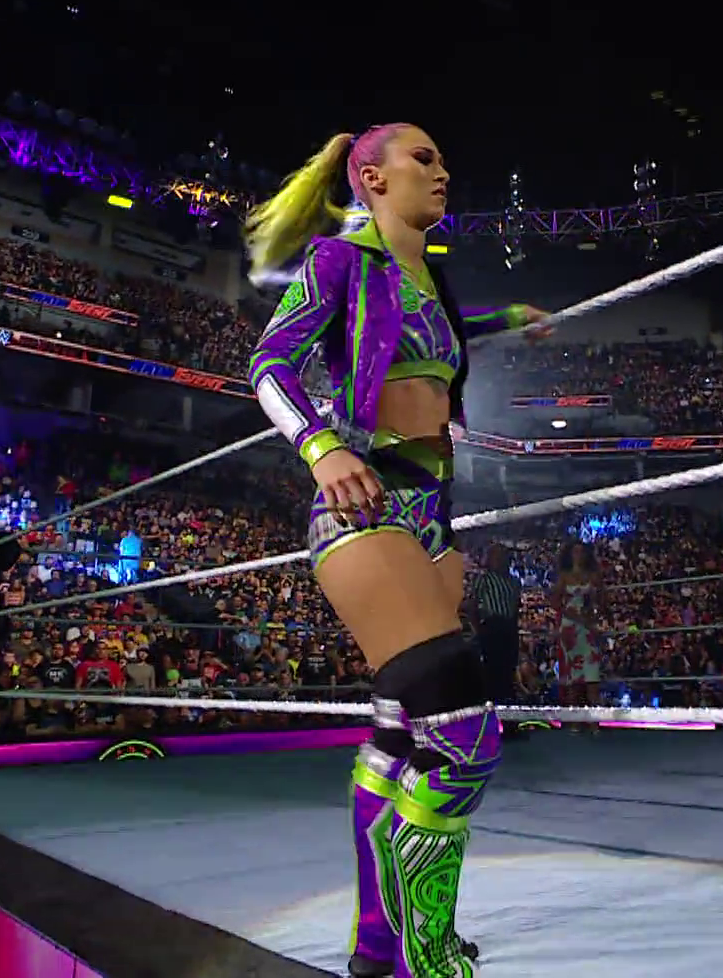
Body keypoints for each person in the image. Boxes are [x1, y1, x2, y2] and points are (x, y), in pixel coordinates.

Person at [245, 123, 549, 978]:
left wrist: (509, 318)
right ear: (372, 178)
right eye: (424, 158)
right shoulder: (340, 261)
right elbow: (270, 363)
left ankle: (376, 947)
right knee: (463, 737)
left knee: (402, 731)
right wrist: (319, 448)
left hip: (432, 516)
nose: (442, 170)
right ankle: (424, 953)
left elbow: (438, 332)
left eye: (443, 158)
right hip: (364, 501)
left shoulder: (431, 282)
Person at [465, 544, 522, 734]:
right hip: (492, 627)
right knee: (492, 675)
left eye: (503, 556)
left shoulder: (514, 582)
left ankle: (510, 724)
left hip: (509, 628)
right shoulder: (484, 579)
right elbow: (472, 605)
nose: (500, 560)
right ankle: (487, 725)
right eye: (496, 556)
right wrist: (479, 629)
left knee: (508, 675)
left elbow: (515, 606)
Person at [553, 542, 604, 720]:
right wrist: (572, 614)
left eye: (581, 552)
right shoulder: (564, 576)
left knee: (592, 676)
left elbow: (603, 600)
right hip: (571, 628)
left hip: (588, 627)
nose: (578, 555)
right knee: (573, 678)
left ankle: (594, 722)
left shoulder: (594, 576)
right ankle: (576, 721)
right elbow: (555, 602)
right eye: (575, 551)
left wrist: (594, 616)